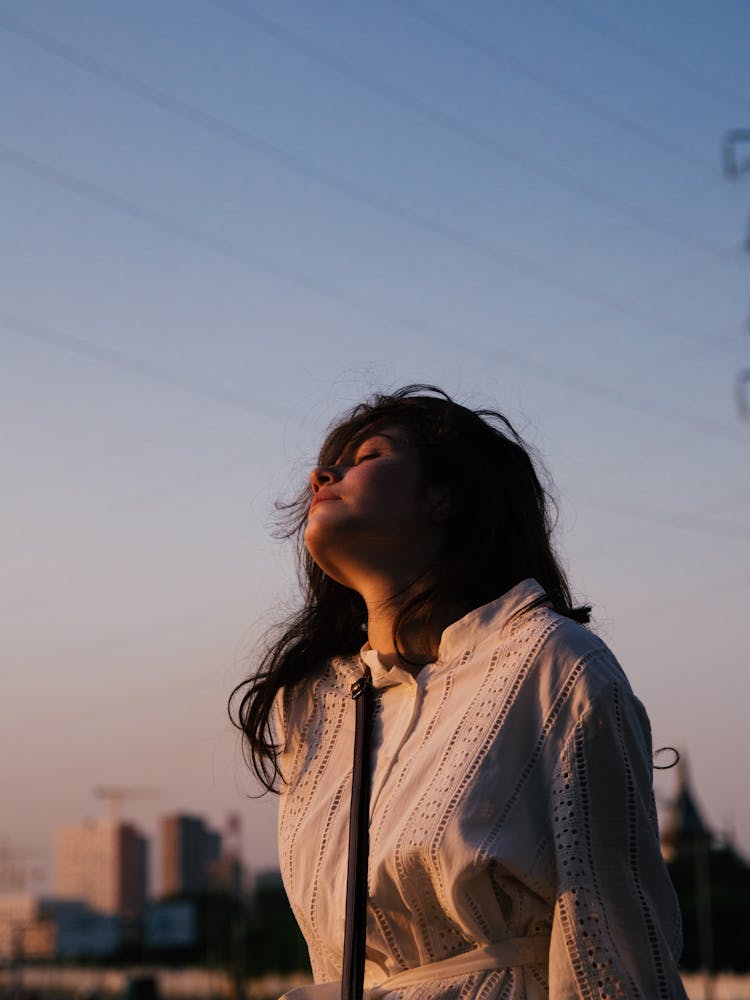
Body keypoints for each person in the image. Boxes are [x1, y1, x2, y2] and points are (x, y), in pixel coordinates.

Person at [232, 385, 688, 999]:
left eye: (367, 456)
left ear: (444, 496)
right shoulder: (313, 705)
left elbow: (612, 946)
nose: (323, 474)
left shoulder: (554, 666)